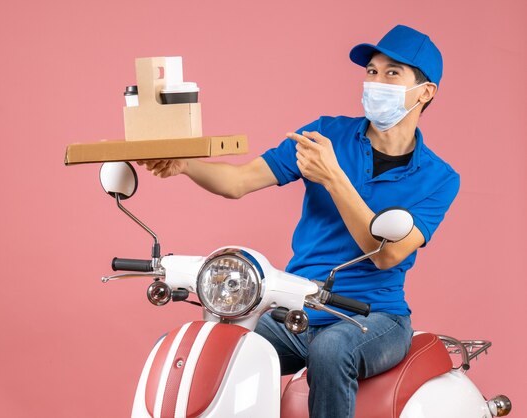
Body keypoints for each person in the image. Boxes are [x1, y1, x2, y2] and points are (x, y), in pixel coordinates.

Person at [139, 25, 459, 418]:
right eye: (372, 72)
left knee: (332, 349)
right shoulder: (326, 135)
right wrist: (186, 165)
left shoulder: (440, 178)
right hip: (297, 306)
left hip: (375, 316)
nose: (376, 82)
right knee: (202, 345)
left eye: (392, 73)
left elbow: (387, 255)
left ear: (425, 92)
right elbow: (239, 181)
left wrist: (333, 177)